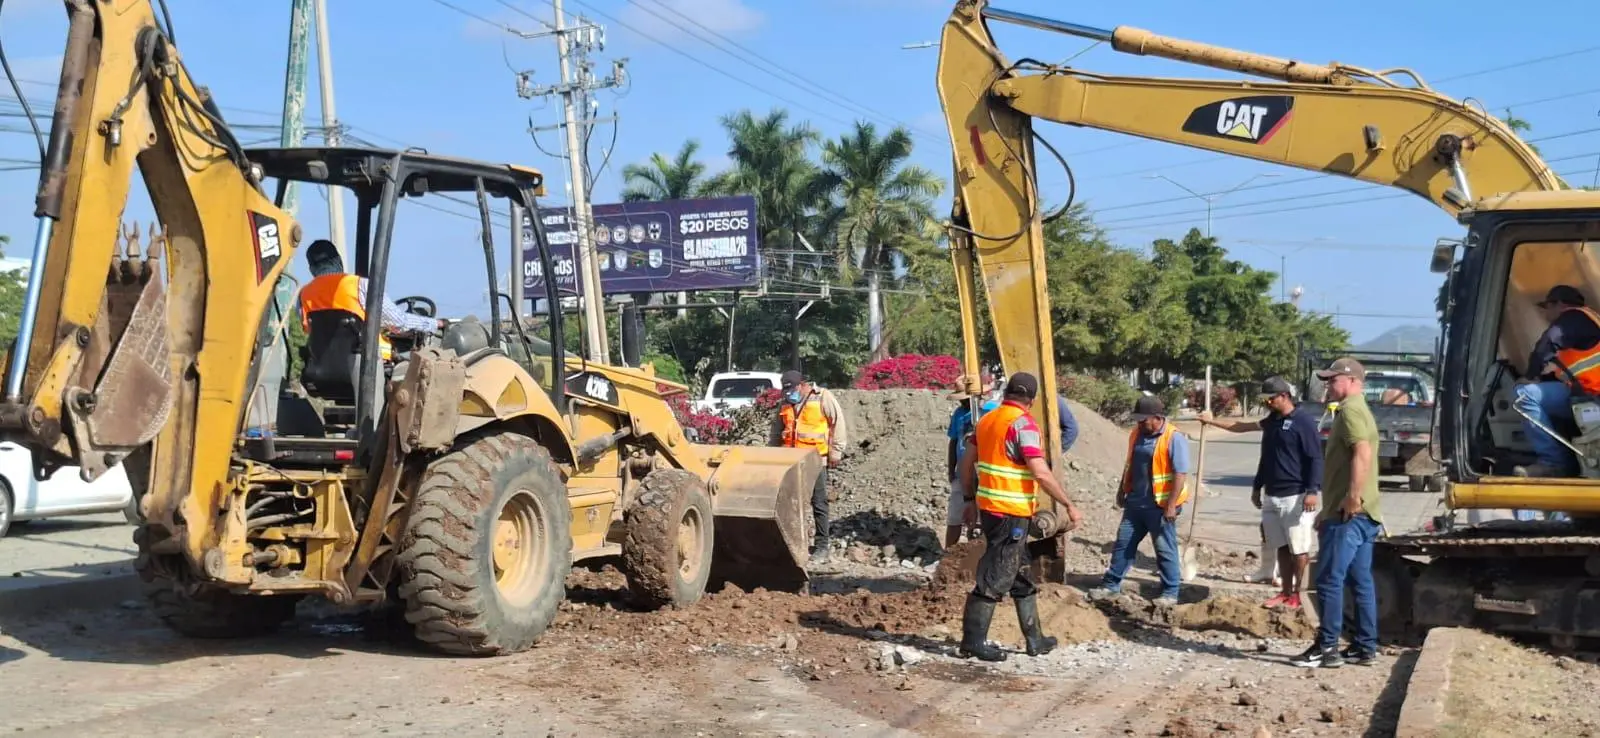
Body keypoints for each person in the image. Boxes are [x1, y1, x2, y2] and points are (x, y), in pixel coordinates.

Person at [954, 372, 1083, 662]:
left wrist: (968, 499)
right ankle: (972, 642)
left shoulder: (987, 421)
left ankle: (1035, 639)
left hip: (990, 509)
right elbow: (1039, 471)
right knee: (996, 574)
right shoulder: (1023, 424)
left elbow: (966, 463)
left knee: (1020, 572)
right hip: (1010, 513)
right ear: (1032, 400)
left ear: (1007, 393)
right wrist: (1068, 504)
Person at [1291, 357, 1383, 669]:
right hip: (1361, 513)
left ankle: (1327, 647)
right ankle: (1364, 647)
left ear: (1352, 380)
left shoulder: (1351, 410)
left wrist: (1351, 497)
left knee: (1330, 579)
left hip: (1350, 515)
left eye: (1333, 380)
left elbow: (1361, 452)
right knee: (1360, 582)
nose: (1328, 385)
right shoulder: (1360, 409)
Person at [1091, 395, 1192, 607]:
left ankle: (1171, 592)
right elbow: (1130, 464)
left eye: (1143, 420)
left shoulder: (1174, 438)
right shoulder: (1136, 434)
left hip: (1160, 506)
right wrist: (1121, 489)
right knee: (1124, 544)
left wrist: (1171, 505)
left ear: (1157, 418)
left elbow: (1180, 474)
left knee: (1165, 548)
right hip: (1135, 502)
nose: (1139, 423)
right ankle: (1110, 585)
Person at [297, 239, 443, 364]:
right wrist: (435, 324)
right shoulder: (361, 285)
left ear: (311, 269)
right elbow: (398, 323)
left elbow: (309, 330)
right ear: (338, 261)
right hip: (369, 363)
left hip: (323, 364)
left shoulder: (304, 294)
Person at [1246, 377, 1322, 608]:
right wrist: (1257, 486)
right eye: (1265, 400)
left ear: (1285, 396)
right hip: (1272, 493)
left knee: (1298, 548)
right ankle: (1285, 591)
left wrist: (1312, 490)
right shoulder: (1272, 422)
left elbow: (1315, 458)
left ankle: (1299, 595)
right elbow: (1266, 458)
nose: (1268, 403)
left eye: (1271, 398)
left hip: (1296, 494)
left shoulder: (1303, 422)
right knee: (1279, 545)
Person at [1512, 285, 1600, 478]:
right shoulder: (1588, 321)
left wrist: (1530, 376)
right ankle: (1567, 461)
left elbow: (1549, 342)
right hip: (1586, 392)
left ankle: (1554, 463)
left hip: (1592, 395)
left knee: (1523, 396)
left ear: (1559, 304)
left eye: (1547, 307)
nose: (1545, 314)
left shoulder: (1573, 317)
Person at [770, 369, 848, 561]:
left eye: (791, 390)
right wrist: (771, 455)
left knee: (819, 503)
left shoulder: (822, 397)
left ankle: (822, 546)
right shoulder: (785, 403)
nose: (789, 394)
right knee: (789, 504)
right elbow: (776, 431)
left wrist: (836, 452)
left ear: (802, 385)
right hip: (790, 462)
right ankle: (794, 545)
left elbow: (837, 423)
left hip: (815, 460)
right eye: (785, 391)